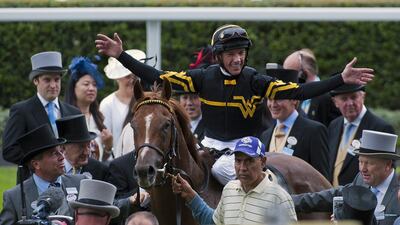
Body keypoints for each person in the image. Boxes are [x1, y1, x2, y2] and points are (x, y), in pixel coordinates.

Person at [95, 24, 373, 184]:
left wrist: (340, 79)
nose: (237, 59)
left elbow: (300, 91)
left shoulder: (256, 81)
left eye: (241, 53)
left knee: (221, 170)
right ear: (218, 56)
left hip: (246, 147)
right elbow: (157, 76)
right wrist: (122, 56)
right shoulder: (202, 79)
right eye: (231, 54)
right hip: (208, 146)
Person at [172, 136, 297, 225]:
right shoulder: (229, 189)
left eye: (249, 161)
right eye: (238, 161)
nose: (242, 168)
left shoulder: (278, 197)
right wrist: (190, 195)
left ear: (263, 162)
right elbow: (213, 222)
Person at [2, 51, 81, 181]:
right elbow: (9, 150)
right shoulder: (22, 111)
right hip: (33, 182)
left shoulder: (73, 112)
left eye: (57, 79)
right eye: (47, 80)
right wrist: (39, 163)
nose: (53, 85)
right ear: (35, 81)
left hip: (69, 183)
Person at [293, 130, 400, 225]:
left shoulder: (398, 194)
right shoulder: (361, 180)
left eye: (369, 163)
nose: (363, 169)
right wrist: (288, 201)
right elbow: (331, 196)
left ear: (388, 165)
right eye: (360, 162)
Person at [0, 124, 85, 225]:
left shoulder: (80, 183)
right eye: (54, 153)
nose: (62, 157)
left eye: (61, 151)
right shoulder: (14, 197)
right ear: (36, 164)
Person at [260, 67, 330, 180]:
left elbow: (323, 181)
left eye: (279, 98)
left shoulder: (314, 131)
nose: (273, 104)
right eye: (269, 98)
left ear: (295, 100)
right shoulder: (265, 135)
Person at [328, 84, 395, 186]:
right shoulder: (334, 125)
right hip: (334, 197)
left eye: (354, 97)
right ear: (335, 102)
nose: (350, 103)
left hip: (363, 198)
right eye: (344, 99)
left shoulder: (380, 128)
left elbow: (388, 171)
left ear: (363, 96)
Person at [65, 56, 113, 161]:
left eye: (94, 85)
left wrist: (108, 146)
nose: (91, 88)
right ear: (74, 87)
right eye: (86, 84)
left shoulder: (99, 118)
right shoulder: (65, 118)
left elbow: (101, 161)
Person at [100, 49, 147, 152]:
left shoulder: (145, 101)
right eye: (127, 76)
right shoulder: (107, 104)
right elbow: (105, 142)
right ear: (117, 79)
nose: (132, 80)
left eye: (134, 76)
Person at [283, 48, 341, 127]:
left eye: (290, 75)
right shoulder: (297, 98)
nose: (287, 81)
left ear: (303, 74)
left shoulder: (328, 97)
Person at [56, 114, 109, 181]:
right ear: (63, 148)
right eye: (81, 147)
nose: (86, 152)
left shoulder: (100, 171)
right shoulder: (52, 169)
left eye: (88, 145)